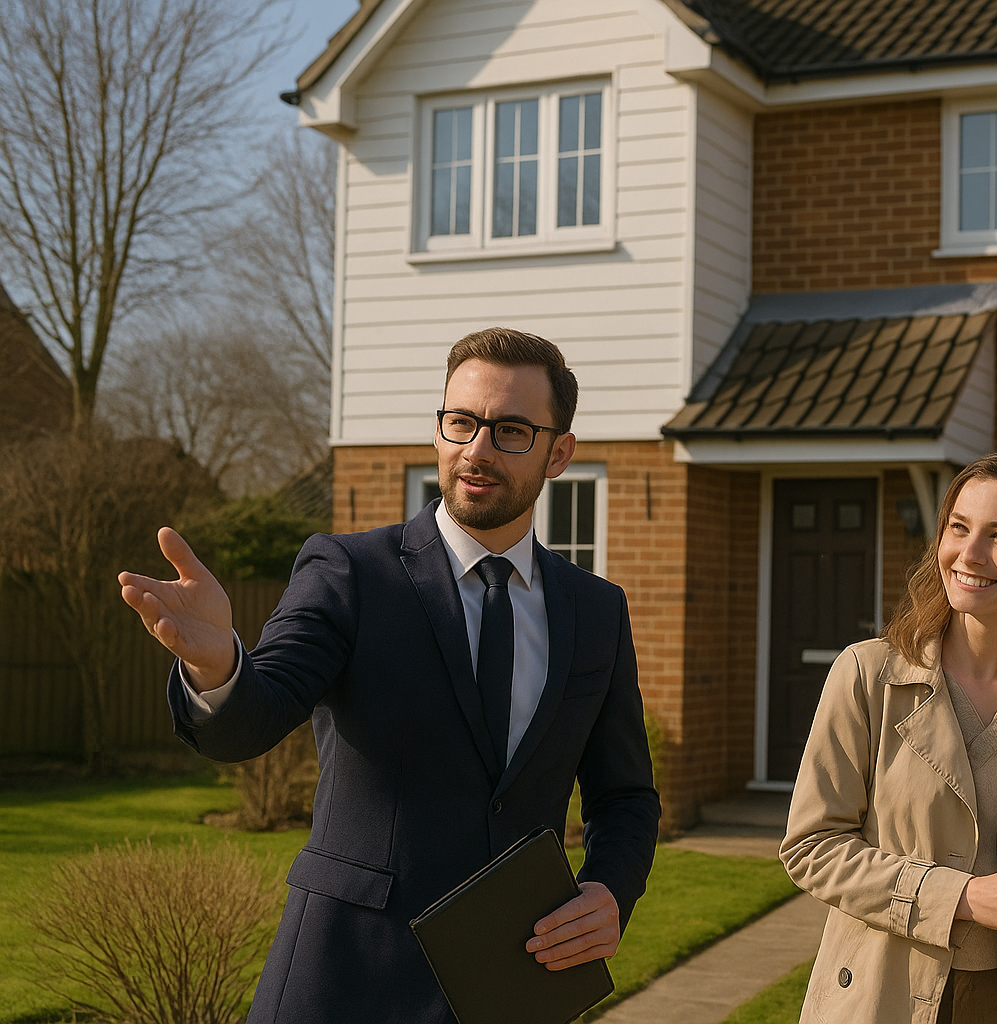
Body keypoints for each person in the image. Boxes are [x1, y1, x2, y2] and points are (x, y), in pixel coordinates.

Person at [118, 328, 661, 1024]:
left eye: (511, 430)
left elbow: (626, 797)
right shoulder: (349, 572)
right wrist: (218, 663)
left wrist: (610, 889)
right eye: (460, 422)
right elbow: (254, 713)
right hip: (345, 980)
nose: (477, 449)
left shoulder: (597, 610)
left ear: (559, 453)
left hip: (513, 984)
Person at [782, 451, 997, 1024]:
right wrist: (964, 898)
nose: (969, 556)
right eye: (958, 528)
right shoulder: (866, 676)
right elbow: (811, 848)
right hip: (883, 992)